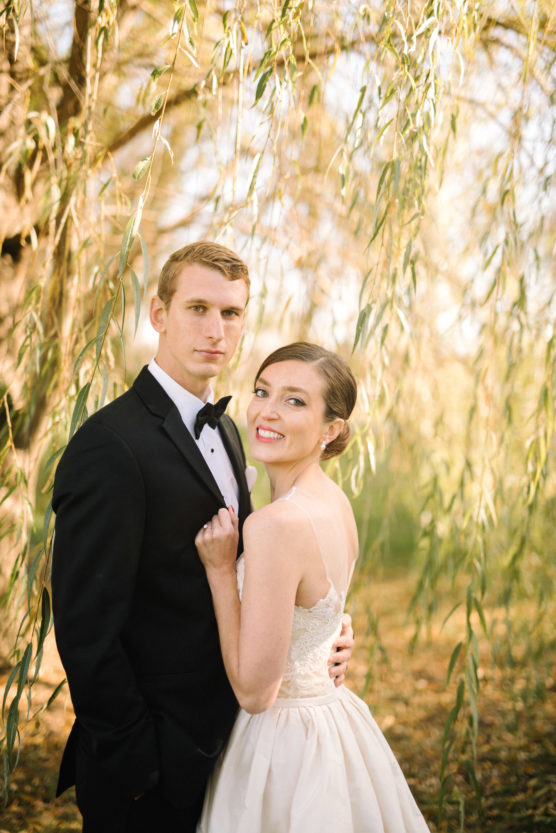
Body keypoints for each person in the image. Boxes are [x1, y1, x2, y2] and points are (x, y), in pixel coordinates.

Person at [51, 245, 353, 833]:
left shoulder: (236, 433)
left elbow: (261, 568)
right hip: (153, 768)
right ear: (158, 313)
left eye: (232, 313)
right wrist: (139, 762)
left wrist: (319, 630)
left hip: (231, 748)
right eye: (197, 308)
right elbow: (85, 628)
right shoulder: (109, 446)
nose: (216, 330)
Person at [195, 342, 431, 833]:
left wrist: (220, 570)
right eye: (263, 391)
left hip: (282, 743)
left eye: (295, 400)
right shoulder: (336, 503)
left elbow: (257, 693)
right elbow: (319, 605)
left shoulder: (276, 525)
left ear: (332, 429)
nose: (268, 411)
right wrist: (335, 632)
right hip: (333, 721)